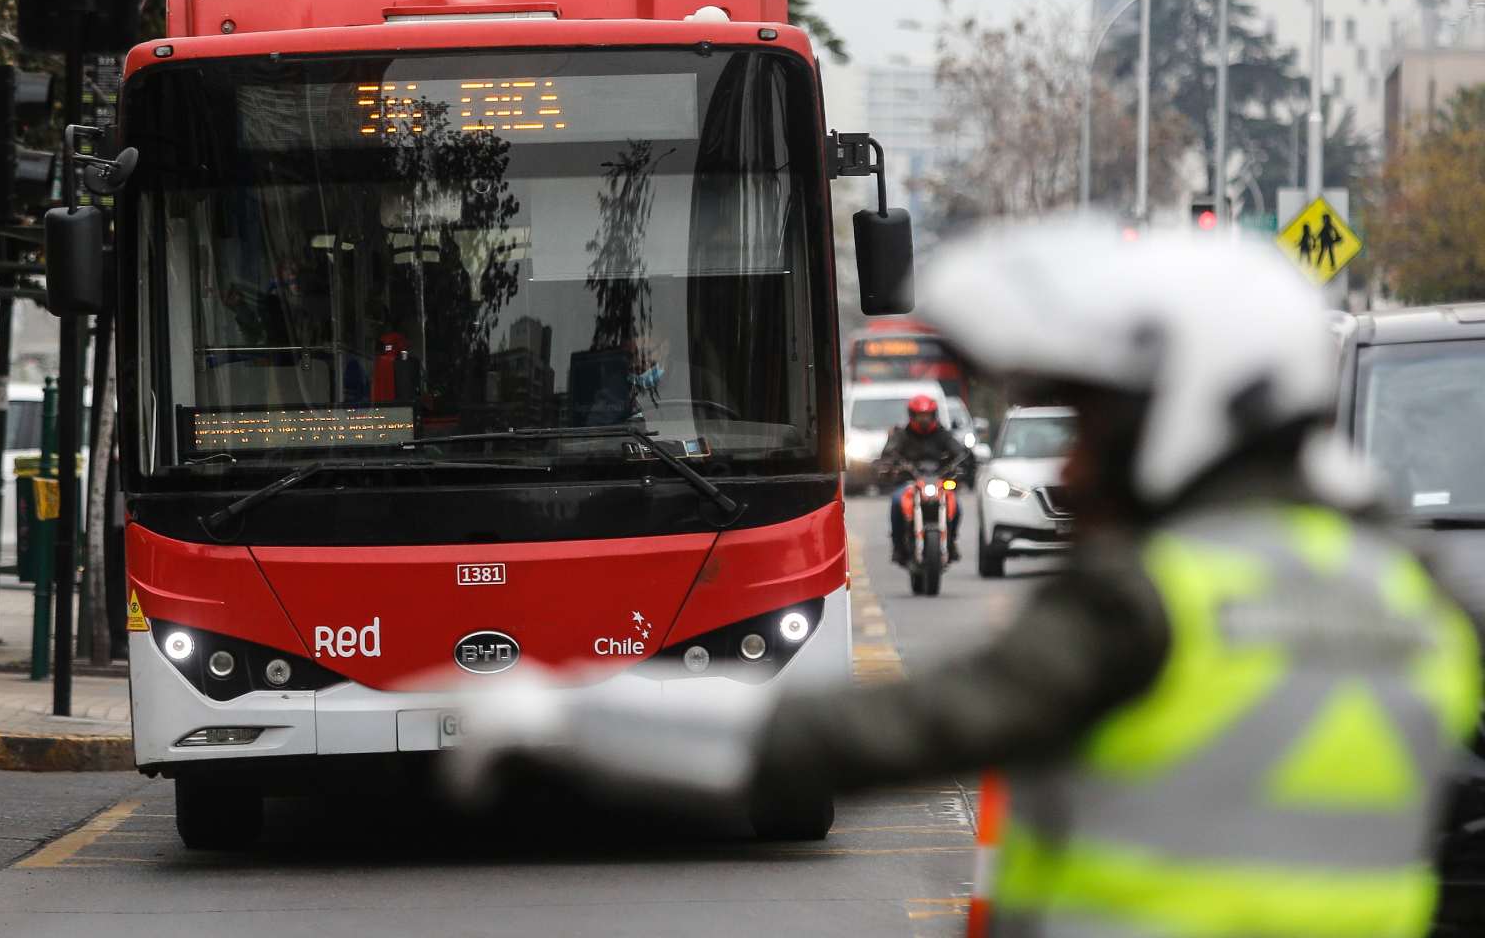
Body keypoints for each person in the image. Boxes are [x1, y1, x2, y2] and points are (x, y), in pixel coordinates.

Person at [447, 226, 1483, 938]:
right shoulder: (1423, 599)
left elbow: (897, 735)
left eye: (1097, 429)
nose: (1073, 467)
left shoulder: (1157, 601)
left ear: (1200, 406)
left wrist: (583, 716)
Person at [877, 393, 971, 565]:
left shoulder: (942, 434)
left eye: (927, 415)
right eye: (920, 415)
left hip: (938, 481)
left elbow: (960, 452)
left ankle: (951, 541)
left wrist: (961, 463)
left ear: (934, 415)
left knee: (956, 505)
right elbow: (889, 454)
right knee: (897, 501)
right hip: (910, 481)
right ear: (912, 416)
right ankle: (898, 546)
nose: (924, 419)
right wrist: (891, 466)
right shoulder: (902, 434)